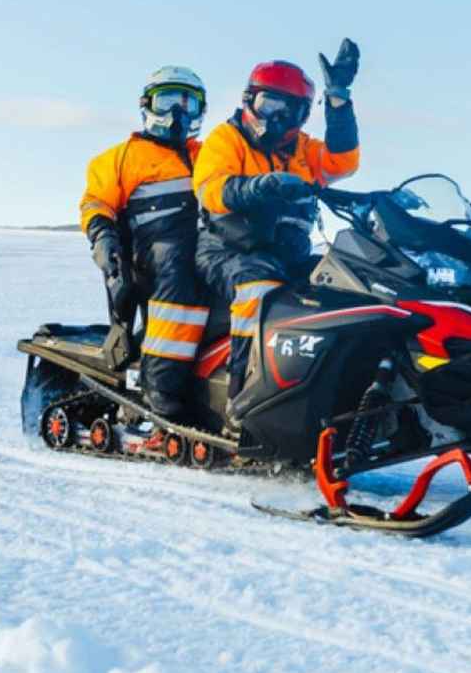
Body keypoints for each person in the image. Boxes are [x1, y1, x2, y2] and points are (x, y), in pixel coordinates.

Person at [192, 40, 361, 416]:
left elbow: (343, 162)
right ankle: (244, 396)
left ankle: (329, 390)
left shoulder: (302, 149)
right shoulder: (227, 138)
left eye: (291, 110)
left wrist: (338, 100)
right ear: (249, 100)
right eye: (269, 104)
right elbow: (211, 190)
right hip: (228, 250)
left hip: (287, 255)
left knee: (344, 283)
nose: (277, 118)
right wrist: (258, 186)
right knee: (258, 288)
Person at [79, 67, 208, 422]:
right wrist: (103, 238)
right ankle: (160, 390)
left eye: (188, 104)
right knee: (182, 277)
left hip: (204, 248)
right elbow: (96, 202)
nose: (177, 114)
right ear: (147, 105)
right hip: (149, 255)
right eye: (167, 101)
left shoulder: (207, 156)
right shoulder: (119, 158)